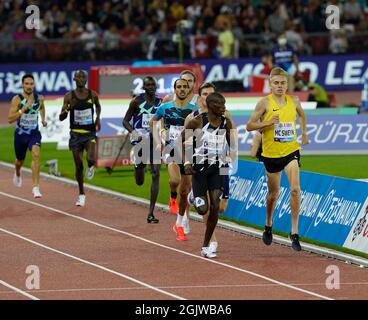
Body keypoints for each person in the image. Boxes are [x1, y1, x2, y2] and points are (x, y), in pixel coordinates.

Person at [246, 67, 309, 251]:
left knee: (296, 190)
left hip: (291, 151)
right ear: (270, 84)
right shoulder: (264, 103)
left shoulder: (294, 100)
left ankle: (295, 232)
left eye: (283, 83)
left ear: (287, 84)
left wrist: (303, 133)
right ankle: (268, 223)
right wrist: (267, 122)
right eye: (276, 83)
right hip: (271, 156)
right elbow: (250, 125)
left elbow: (302, 115)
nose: (280, 86)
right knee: (273, 195)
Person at [181, 92, 237, 258]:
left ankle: (206, 246)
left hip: (216, 169)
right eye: (220, 106)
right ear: (211, 106)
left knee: (215, 207)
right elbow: (180, 143)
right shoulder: (197, 121)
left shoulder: (225, 123)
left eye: (224, 104)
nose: (224, 108)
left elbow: (232, 145)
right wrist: (186, 163)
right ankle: (193, 197)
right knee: (202, 209)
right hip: (199, 169)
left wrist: (228, 159)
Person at [149, 78, 199, 241]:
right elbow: (152, 122)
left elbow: (199, 129)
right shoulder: (165, 107)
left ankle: (179, 224)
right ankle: (172, 196)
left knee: (185, 191)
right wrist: (158, 142)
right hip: (171, 148)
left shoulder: (195, 109)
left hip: (188, 151)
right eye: (179, 87)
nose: (182, 89)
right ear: (175, 89)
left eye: (185, 87)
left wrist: (194, 139)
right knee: (175, 180)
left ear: (189, 89)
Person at [59, 70, 101, 207]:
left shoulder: (92, 94)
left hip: (89, 133)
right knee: (78, 165)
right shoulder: (69, 96)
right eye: (79, 77)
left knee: (90, 159)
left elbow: (98, 106)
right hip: (75, 134)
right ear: (74, 79)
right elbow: (61, 117)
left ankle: (91, 167)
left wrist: (98, 118)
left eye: (84, 77)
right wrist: (66, 110)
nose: (82, 79)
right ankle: (81, 194)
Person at [123, 76, 162, 223]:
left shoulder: (161, 103)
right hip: (140, 141)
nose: (151, 86)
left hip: (155, 141)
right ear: (144, 87)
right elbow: (125, 121)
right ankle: (138, 168)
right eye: (148, 84)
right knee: (140, 180)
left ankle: (151, 213)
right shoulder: (137, 102)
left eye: (153, 84)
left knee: (156, 173)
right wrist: (134, 133)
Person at [8, 74, 47, 198]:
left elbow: (42, 108)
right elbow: (10, 119)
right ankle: (18, 172)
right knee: (20, 161)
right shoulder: (17, 99)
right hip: (20, 135)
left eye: (31, 84)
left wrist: (43, 119)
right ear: (22, 85)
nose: (29, 86)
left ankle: (36, 187)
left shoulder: (39, 98)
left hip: (34, 134)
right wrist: (23, 109)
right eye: (27, 84)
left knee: (36, 155)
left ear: (34, 85)